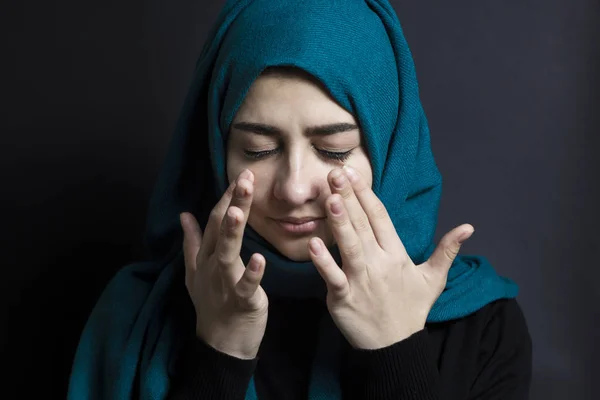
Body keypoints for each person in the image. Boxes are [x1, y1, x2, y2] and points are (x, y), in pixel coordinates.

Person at [67, 0, 532, 399]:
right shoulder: (134, 319)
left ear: (388, 147)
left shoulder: (480, 328)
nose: (292, 189)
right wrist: (220, 353)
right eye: (258, 149)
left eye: (334, 150)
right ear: (214, 148)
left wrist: (394, 351)